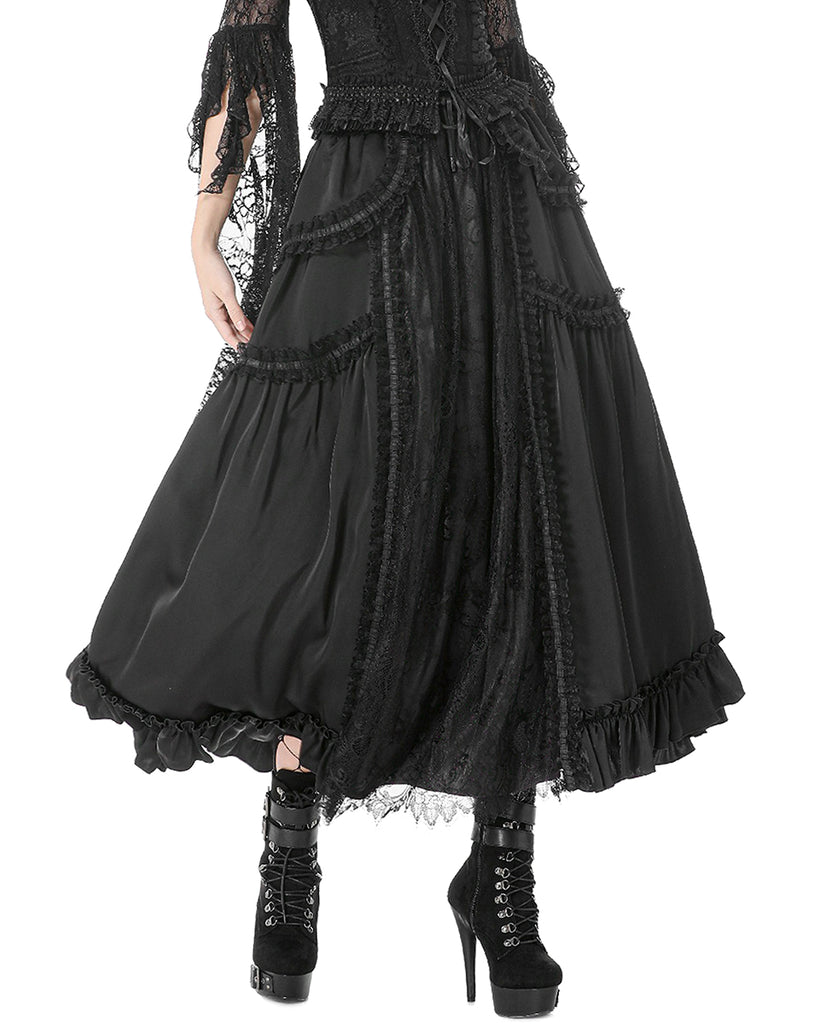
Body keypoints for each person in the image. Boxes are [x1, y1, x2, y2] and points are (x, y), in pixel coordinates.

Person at [66, 0, 746, 1015]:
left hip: (504, 204)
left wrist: (543, 193)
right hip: (365, 205)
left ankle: (500, 871)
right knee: (317, 522)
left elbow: (500, 40)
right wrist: (204, 232)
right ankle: (290, 849)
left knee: (517, 508)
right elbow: (248, 48)